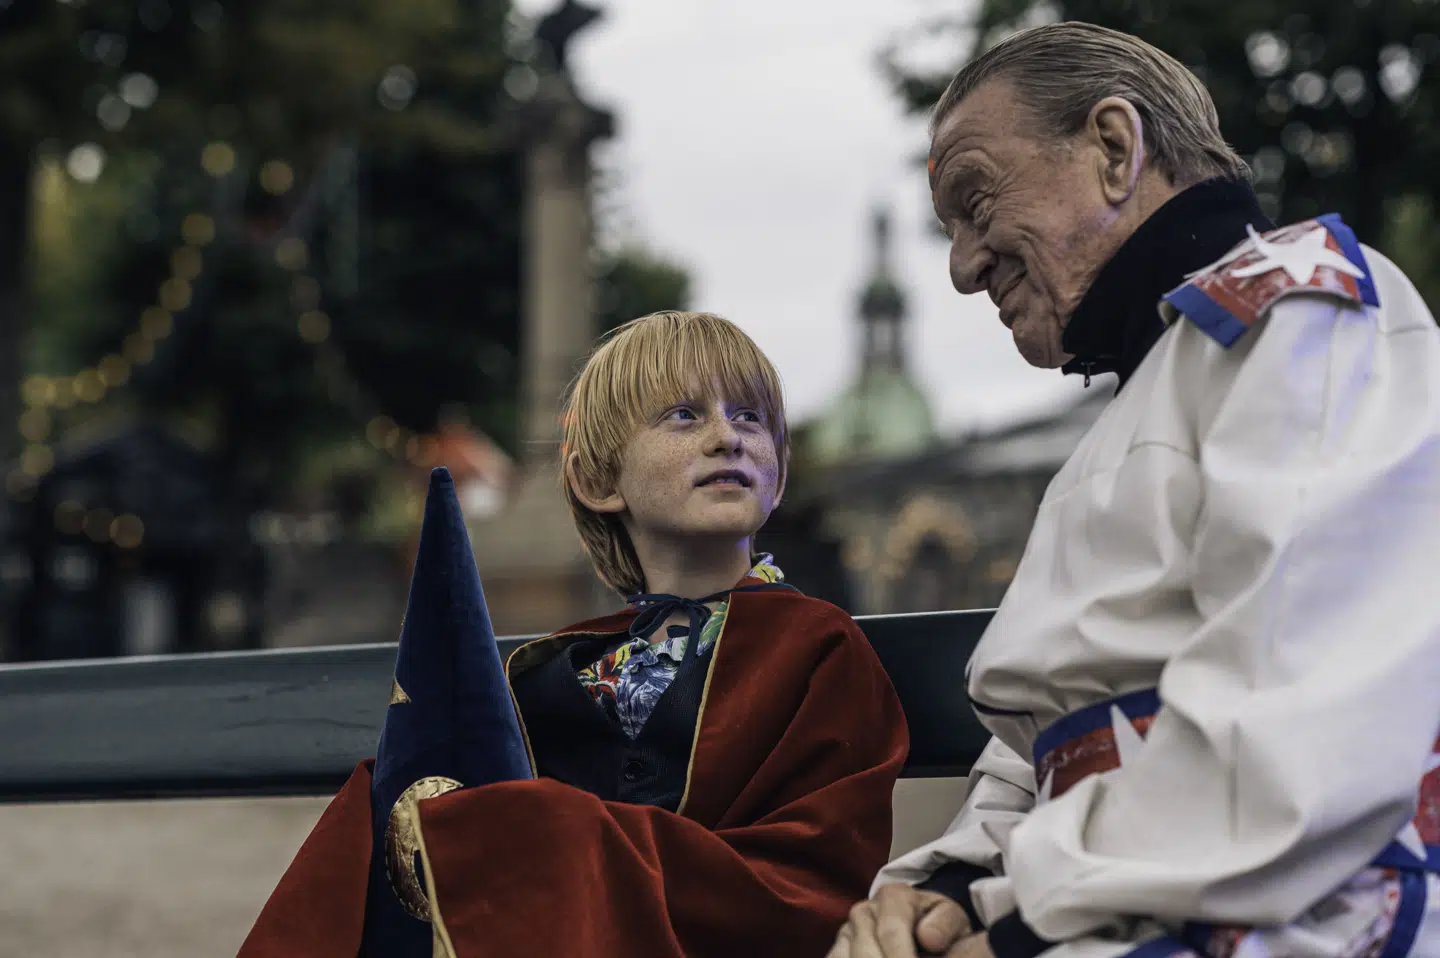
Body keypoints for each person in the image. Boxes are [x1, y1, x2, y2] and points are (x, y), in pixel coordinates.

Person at [830, 21, 1440, 958]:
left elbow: (1288, 727)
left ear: (1115, 148)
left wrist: (1018, 925)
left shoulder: (1300, 310)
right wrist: (945, 889)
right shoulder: (1137, 408)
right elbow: (1052, 736)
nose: (960, 267)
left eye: (976, 201)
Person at [238, 310, 909, 958]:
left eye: (749, 417)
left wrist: (571, 836)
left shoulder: (818, 646)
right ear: (598, 480)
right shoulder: (558, 670)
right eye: (684, 415)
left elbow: (813, 884)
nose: (726, 436)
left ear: (779, 472)